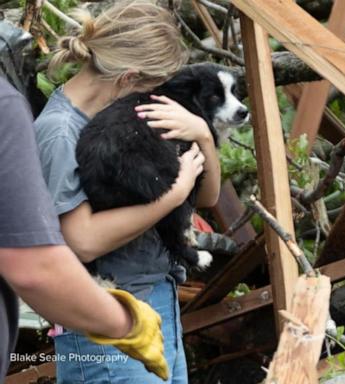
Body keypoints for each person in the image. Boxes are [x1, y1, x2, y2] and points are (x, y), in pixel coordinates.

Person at [34, 1, 221, 383]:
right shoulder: (59, 132)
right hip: (106, 324)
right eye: (154, 85)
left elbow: (206, 199)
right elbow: (82, 240)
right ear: (129, 77)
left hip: (156, 298)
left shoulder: (137, 114)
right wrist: (174, 192)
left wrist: (201, 132)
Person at [0, 77, 168, 383]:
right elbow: (39, 264)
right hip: (95, 309)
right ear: (131, 77)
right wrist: (128, 325)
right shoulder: (45, 125)